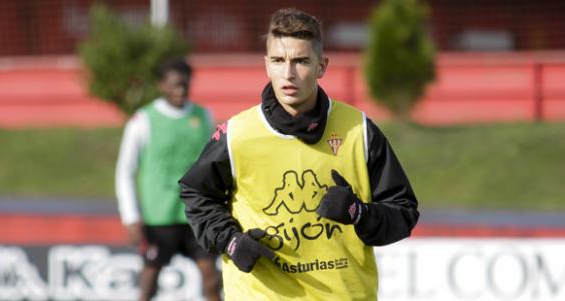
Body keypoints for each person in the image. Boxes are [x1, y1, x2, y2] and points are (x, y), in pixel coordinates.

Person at [179, 8, 419, 300]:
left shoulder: (360, 130)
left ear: (322, 66)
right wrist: (230, 240)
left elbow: (403, 213)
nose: (289, 73)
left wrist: (359, 213)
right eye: (279, 61)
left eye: (301, 61)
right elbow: (196, 193)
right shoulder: (237, 134)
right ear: (267, 65)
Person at [115, 57, 221, 301]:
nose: (180, 91)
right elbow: (125, 171)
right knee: (149, 283)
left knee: (212, 279)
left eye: (185, 85)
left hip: (196, 215)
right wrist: (130, 217)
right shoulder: (143, 120)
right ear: (161, 85)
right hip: (159, 217)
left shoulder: (203, 117)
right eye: (175, 85)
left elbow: (213, 165)